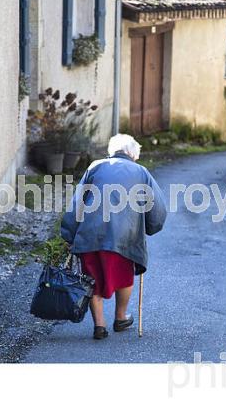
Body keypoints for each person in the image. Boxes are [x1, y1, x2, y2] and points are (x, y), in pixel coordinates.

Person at [61, 134, 167, 339]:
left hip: (90, 234)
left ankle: (99, 326)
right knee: (124, 277)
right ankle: (120, 318)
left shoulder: (95, 167)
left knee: (91, 279)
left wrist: (69, 232)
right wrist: (151, 226)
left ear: (113, 151)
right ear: (132, 153)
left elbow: (78, 201)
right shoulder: (141, 172)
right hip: (124, 236)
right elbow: (156, 206)